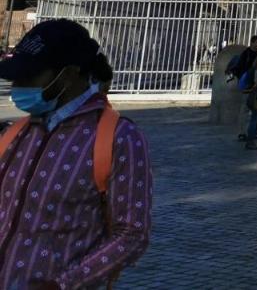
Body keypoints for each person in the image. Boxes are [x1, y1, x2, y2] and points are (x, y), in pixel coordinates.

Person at [0, 19, 152, 288]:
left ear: (68, 75)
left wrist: (63, 284)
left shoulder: (118, 138)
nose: (18, 86)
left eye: (29, 76)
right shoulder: (16, 133)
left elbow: (132, 234)